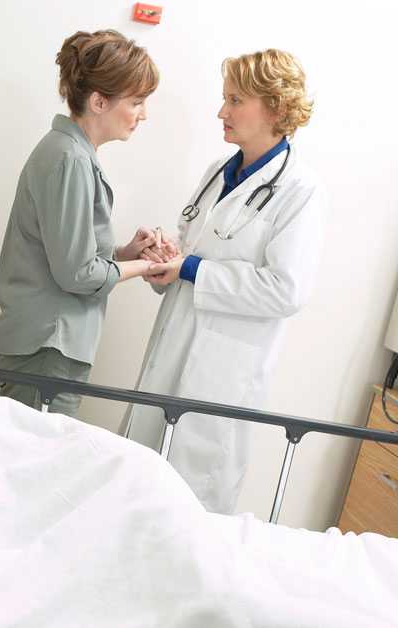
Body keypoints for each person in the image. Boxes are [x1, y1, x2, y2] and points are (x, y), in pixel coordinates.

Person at [121, 48, 327, 514]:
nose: (221, 111)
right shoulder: (219, 170)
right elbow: (195, 246)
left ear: (274, 107)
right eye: (224, 99)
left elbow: (286, 290)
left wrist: (190, 269)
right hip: (171, 348)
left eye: (234, 100)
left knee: (190, 505)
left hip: (222, 372)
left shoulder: (301, 190)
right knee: (134, 487)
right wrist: (167, 255)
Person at [0, 29, 161, 418]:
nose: (144, 114)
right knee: (32, 467)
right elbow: (77, 274)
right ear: (99, 101)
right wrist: (146, 266)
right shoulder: (69, 159)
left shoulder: (73, 154)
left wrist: (124, 253)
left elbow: (68, 256)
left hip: (51, 346)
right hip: (48, 347)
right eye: (137, 102)